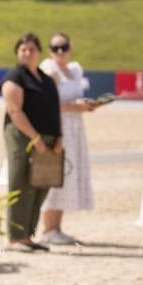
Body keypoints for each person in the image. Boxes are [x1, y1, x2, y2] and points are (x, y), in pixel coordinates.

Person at [1, 32, 62, 251]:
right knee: (21, 181)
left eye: (32, 49)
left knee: (41, 184)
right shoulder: (14, 78)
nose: (27, 53)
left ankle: (28, 236)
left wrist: (59, 138)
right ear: (17, 52)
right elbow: (15, 111)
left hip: (48, 138)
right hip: (22, 136)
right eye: (23, 49)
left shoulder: (46, 80)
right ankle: (15, 238)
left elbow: (55, 111)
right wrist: (35, 139)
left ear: (39, 52)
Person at [38, 32, 97, 244]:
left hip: (75, 127)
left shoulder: (75, 70)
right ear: (49, 51)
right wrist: (75, 107)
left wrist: (87, 105)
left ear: (70, 46)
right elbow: (48, 103)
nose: (60, 52)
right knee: (56, 173)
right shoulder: (48, 69)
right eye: (55, 48)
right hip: (58, 125)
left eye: (63, 46)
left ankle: (57, 227)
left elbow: (73, 97)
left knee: (69, 174)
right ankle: (48, 228)